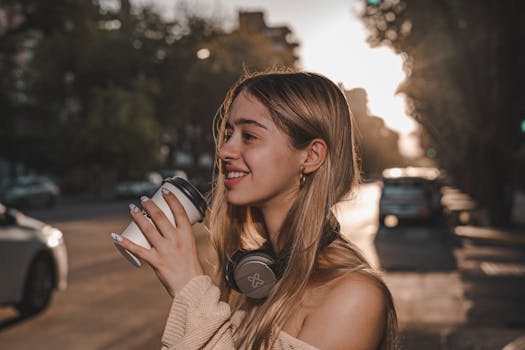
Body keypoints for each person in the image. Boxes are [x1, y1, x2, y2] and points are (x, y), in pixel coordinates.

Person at [112, 70, 398, 350]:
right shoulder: (257, 279)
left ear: (310, 156)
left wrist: (191, 286)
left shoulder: (355, 297)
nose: (225, 150)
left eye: (249, 136)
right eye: (228, 133)